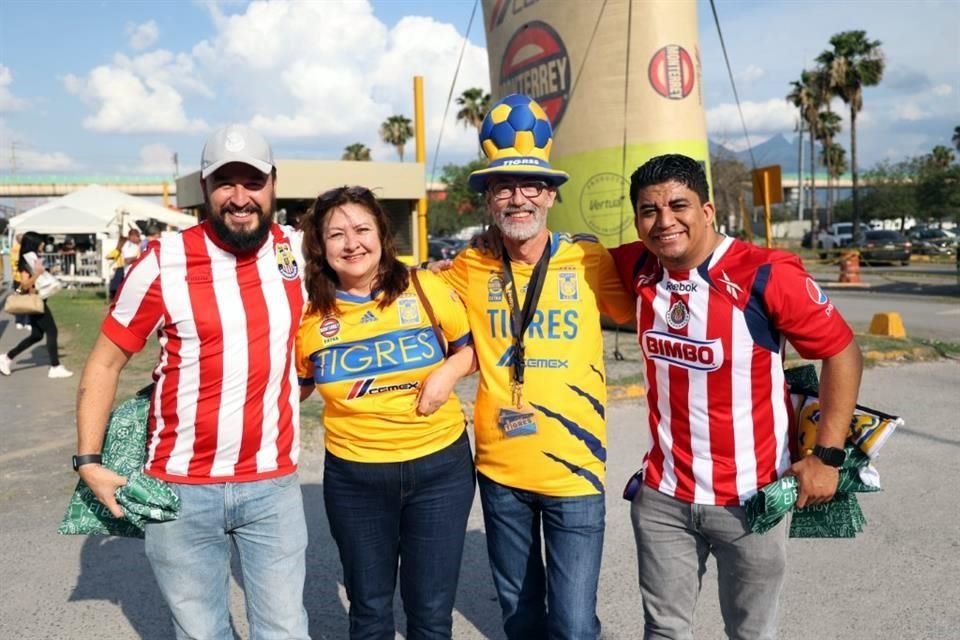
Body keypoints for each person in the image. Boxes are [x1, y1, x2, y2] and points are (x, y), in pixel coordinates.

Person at [610, 154, 863, 640]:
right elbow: (562, 252)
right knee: (663, 631)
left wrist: (827, 456)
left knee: (751, 633)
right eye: (649, 211)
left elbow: (843, 352)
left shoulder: (764, 273)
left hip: (751, 499)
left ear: (707, 209)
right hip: (664, 496)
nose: (664, 221)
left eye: (678, 205)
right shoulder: (639, 266)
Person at [74, 124, 311, 639]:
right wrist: (89, 461)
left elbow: (372, 268)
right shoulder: (163, 261)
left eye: (253, 181)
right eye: (225, 182)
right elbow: (104, 363)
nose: (240, 197)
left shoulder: (298, 251)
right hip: (179, 490)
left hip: (272, 485)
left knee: (286, 630)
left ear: (273, 184)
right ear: (205, 188)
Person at [435, 94, 636, 640]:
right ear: (488, 200)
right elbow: (409, 305)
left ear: (550, 194)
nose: (518, 198)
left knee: (572, 625)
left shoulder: (589, 259)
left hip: (575, 469)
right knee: (521, 621)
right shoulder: (469, 265)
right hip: (500, 473)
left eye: (530, 186)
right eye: (504, 186)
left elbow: (652, 307)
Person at [296, 186, 477, 639]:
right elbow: (292, 391)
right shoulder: (308, 317)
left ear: (382, 235)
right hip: (356, 481)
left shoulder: (426, 287)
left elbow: (470, 349)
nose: (351, 243)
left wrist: (446, 373)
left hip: (440, 471)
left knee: (432, 613)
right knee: (370, 612)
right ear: (321, 246)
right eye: (336, 234)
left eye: (361, 229)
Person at [0, 231, 73, 378]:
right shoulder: (25, 262)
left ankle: (7, 357)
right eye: (41, 242)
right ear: (33, 243)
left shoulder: (32, 259)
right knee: (52, 331)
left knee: (37, 335)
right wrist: (37, 274)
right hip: (35, 301)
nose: (43, 244)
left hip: (39, 300)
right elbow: (24, 285)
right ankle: (55, 366)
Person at [9, 232, 29, 329]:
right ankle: (19, 320)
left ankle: (28, 321)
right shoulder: (15, 250)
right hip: (18, 279)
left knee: (28, 298)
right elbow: (17, 262)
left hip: (27, 278)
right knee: (19, 298)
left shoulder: (26, 248)